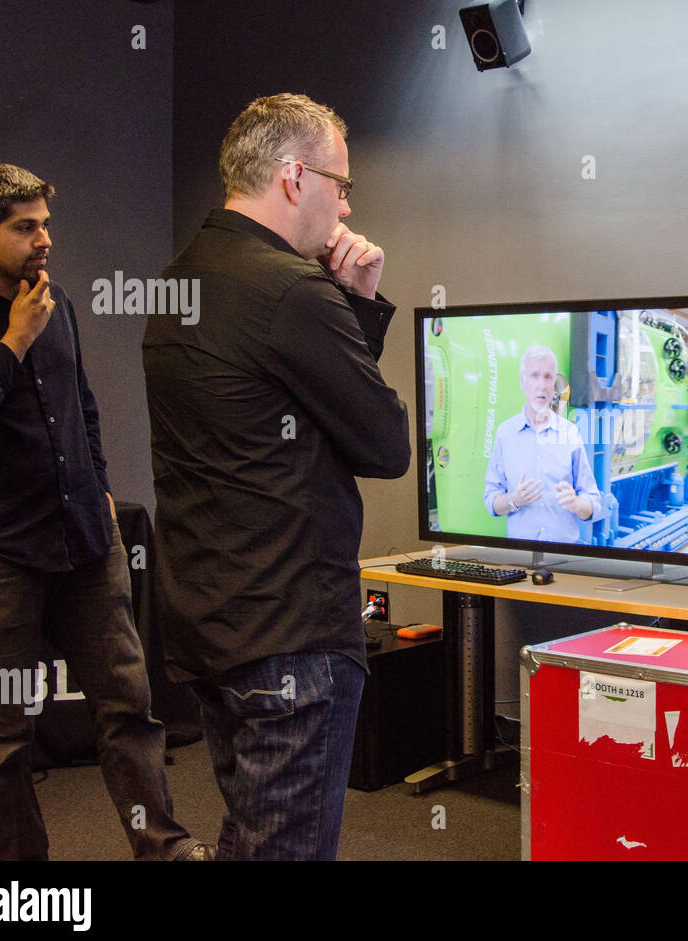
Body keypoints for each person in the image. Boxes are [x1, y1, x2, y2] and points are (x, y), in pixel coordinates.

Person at [143, 94, 410, 860]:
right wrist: (352, 300)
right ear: (295, 177)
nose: (347, 202)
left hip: (209, 623)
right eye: (341, 182)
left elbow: (274, 418)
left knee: (253, 834)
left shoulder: (176, 282)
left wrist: (346, 307)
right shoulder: (294, 291)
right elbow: (384, 441)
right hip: (291, 633)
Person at [0, 164, 208, 860]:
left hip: (86, 541)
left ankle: (165, 845)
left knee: (129, 708)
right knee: (0, 733)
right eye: (25, 227)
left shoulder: (54, 299)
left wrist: (98, 478)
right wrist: (13, 342)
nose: (44, 239)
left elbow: (80, 402)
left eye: (46, 224)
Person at [483, 343, 602, 543]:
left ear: (554, 384)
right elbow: (490, 500)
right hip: (521, 557)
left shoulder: (570, 434)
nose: (541, 385)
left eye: (548, 377)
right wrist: (513, 500)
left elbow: (594, 504)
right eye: (534, 375)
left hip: (564, 557)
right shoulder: (505, 434)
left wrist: (576, 503)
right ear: (522, 382)